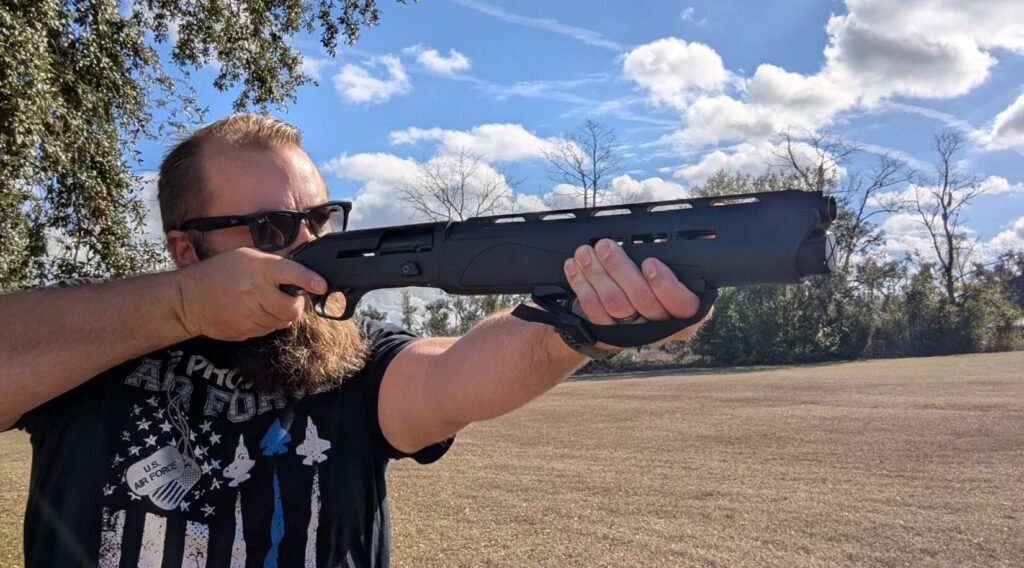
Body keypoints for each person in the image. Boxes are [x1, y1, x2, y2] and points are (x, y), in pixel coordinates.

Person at [0, 113, 708, 567]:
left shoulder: (347, 350)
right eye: (274, 228)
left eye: (322, 218)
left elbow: (453, 377)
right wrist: (182, 308)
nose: (309, 246)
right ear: (186, 251)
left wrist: (580, 326)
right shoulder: (91, 345)